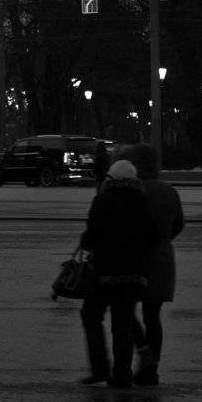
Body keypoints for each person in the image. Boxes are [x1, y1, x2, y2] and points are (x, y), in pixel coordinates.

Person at [78, 159, 158, 387]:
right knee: (123, 323)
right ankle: (122, 374)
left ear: (111, 178)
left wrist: (88, 243)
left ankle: (100, 368)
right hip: (133, 273)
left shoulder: (102, 201)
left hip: (105, 271)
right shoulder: (141, 202)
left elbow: (90, 236)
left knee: (91, 316)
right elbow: (153, 236)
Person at [119, 143, 185, 386]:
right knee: (153, 316)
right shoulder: (169, 191)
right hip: (163, 259)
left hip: (135, 259)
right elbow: (179, 225)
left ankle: (141, 352)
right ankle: (152, 369)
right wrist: (164, 242)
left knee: (125, 309)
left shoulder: (133, 190)